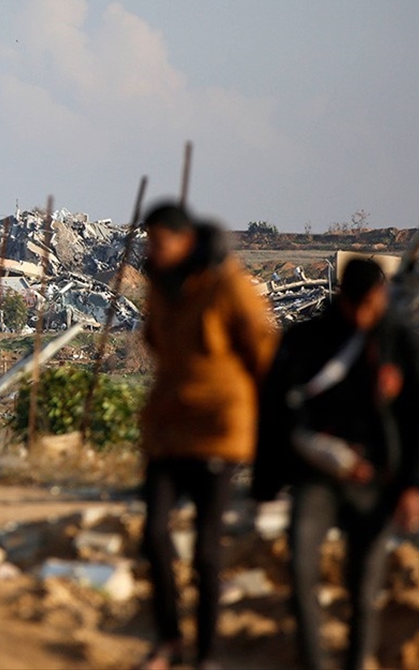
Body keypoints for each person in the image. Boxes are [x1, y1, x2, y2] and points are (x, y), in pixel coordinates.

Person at [254, 258, 419, 670]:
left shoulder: (402, 346)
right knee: (300, 568)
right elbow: (276, 410)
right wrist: (265, 483)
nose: (367, 314)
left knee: (364, 585)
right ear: (345, 298)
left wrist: (412, 486)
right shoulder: (306, 340)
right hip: (316, 474)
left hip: (375, 479)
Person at [137, 203, 278, 670]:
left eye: (160, 242)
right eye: (149, 243)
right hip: (169, 427)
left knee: (205, 549)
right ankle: (169, 639)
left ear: (186, 242)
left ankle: (209, 653)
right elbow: (154, 340)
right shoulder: (159, 286)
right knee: (155, 534)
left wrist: (269, 417)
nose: (152, 252)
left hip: (219, 430)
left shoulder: (226, 284)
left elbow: (261, 351)